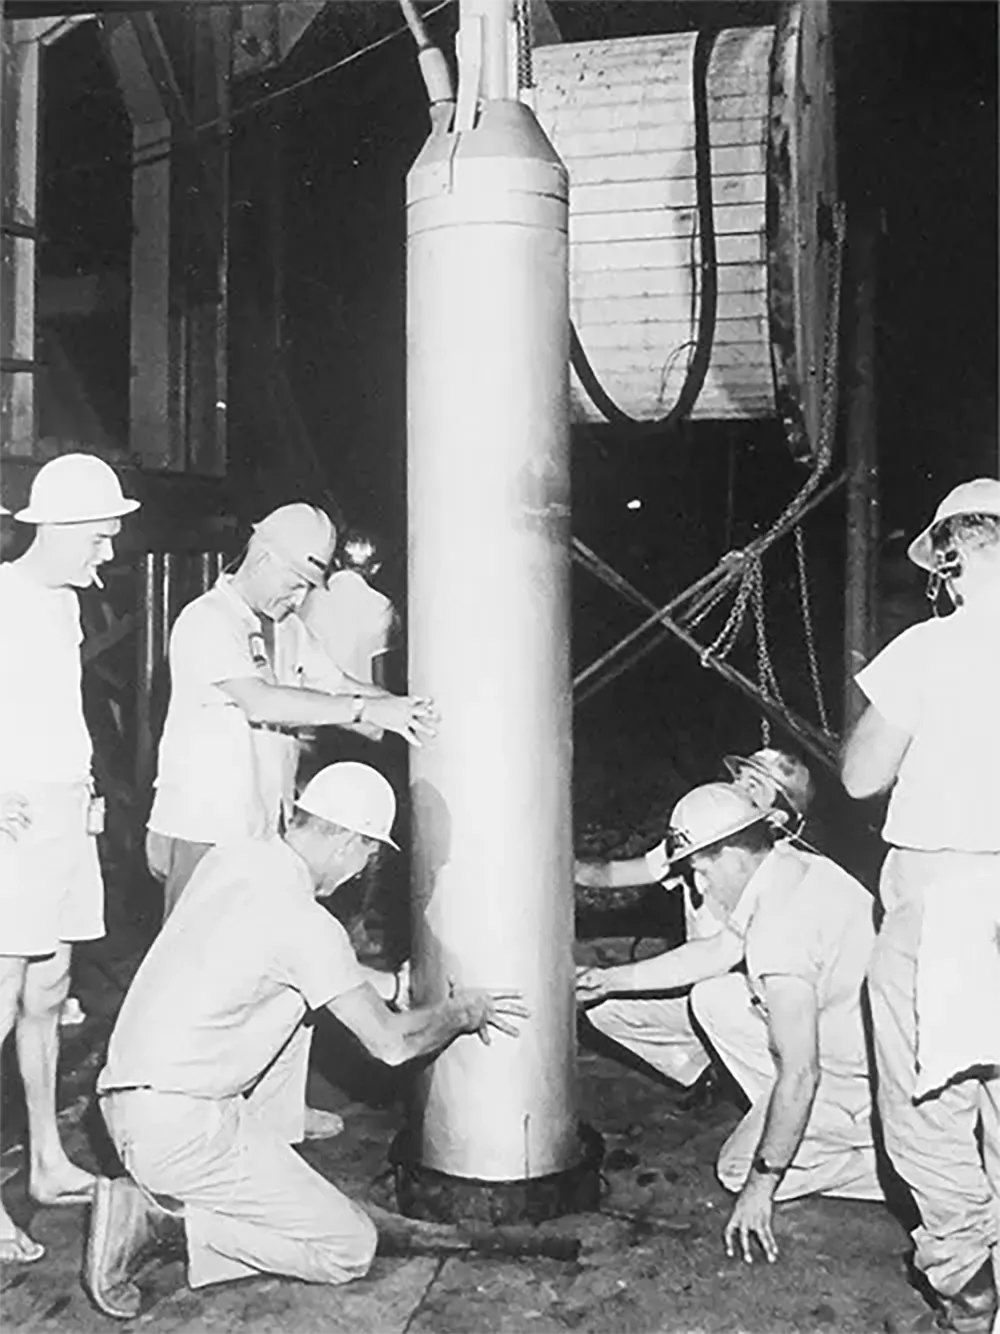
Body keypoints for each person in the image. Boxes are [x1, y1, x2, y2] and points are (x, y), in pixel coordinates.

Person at [84, 762, 527, 1319]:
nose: (365, 866)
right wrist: (461, 1013)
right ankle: (162, 1225)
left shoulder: (238, 857)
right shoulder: (306, 923)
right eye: (368, 852)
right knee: (348, 1248)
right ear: (346, 840)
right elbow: (390, 1044)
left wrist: (393, 986)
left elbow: (289, 964)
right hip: (178, 1133)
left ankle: (262, 1161)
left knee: (301, 1005)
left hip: (133, 1102)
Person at [577, 783, 881, 1263]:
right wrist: (611, 980)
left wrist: (762, 1187)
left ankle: (892, 1162)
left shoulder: (783, 935)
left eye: (702, 870)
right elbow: (717, 952)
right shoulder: (788, 865)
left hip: (860, 1079)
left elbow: (802, 1072)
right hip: (856, 1039)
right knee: (715, 996)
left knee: (739, 1168)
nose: (699, 888)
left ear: (734, 853)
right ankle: (802, 1124)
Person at [842, 478, 1000, 1334]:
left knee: (929, 1104)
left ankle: (968, 1291)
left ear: (955, 553)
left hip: (948, 898)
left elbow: (861, 776)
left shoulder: (933, 646)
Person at [146, 503, 435, 922]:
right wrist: (365, 710)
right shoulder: (207, 620)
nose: (300, 599)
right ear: (264, 558)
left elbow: (338, 685)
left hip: (258, 833)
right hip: (204, 832)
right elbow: (261, 701)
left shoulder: (287, 629)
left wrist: (403, 710)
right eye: (296, 584)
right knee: (200, 964)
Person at [0, 454, 139, 1264]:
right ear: (51, 531)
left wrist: (82, 803)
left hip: (60, 815)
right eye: (97, 538)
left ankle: (47, 1160)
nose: (107, 555)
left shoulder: (61, 607)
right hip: (11, 823)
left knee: (49, 988)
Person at [573, 748, 814, 1092]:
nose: (736, 789)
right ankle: (706, 1073)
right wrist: (566, 865)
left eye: (754, 787)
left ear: (777, 819)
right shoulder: (700, 839)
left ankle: (777, 1100)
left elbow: (727, 958)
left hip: (768, 1011)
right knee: (606, 1013)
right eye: (739, 778)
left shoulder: (789, 879)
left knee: (715, 997)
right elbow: (614, 874)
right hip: (699, 985)